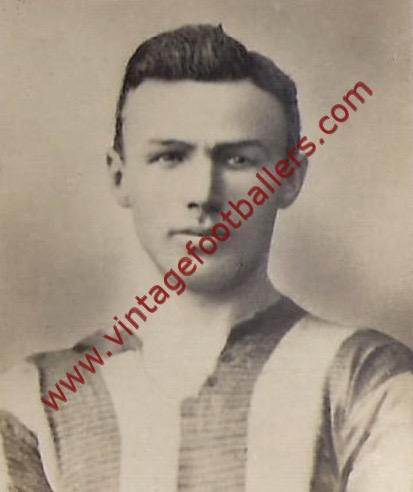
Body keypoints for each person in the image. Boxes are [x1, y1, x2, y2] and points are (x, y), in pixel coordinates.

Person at [0, 24, 412, 492]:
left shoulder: (368, 381)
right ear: (120, 177)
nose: (203, 194)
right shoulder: (35, 400)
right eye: (170, 157)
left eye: (238, 160)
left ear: (289, 179)